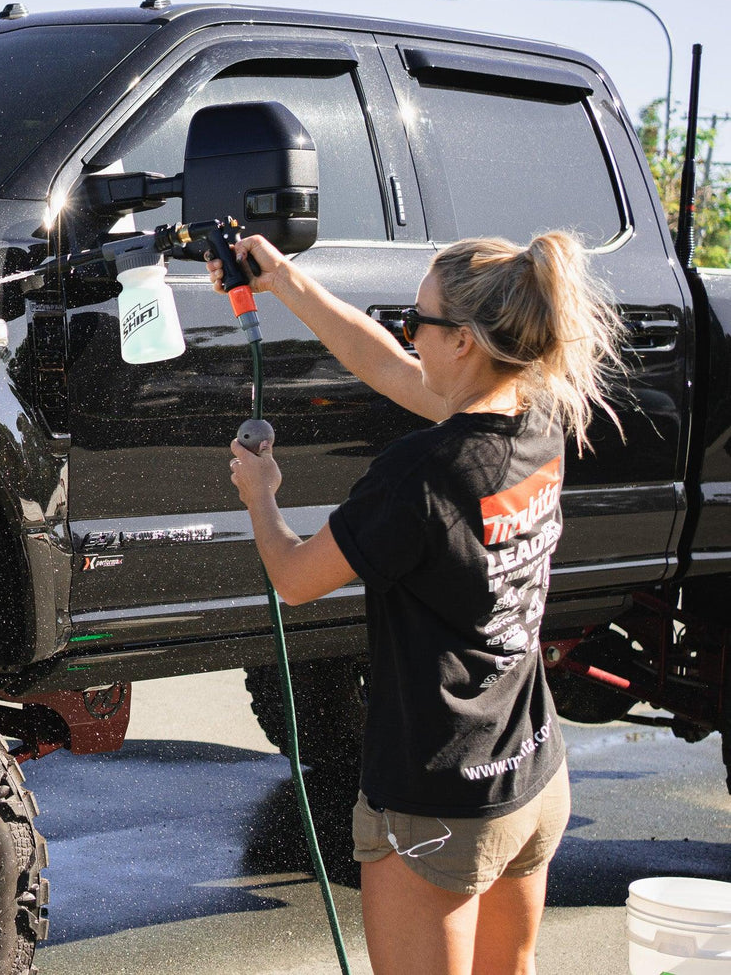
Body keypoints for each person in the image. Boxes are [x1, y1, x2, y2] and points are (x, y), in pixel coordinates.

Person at [206, 230, 623, 975]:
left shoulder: (420, 474)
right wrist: (287, 283)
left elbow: (296, 580)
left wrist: (261, 500)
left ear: (462, 341)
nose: (407, 334)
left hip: (439, 799)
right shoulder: (538, 418)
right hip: (533, 774)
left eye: (416, 320)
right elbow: (383, 364)